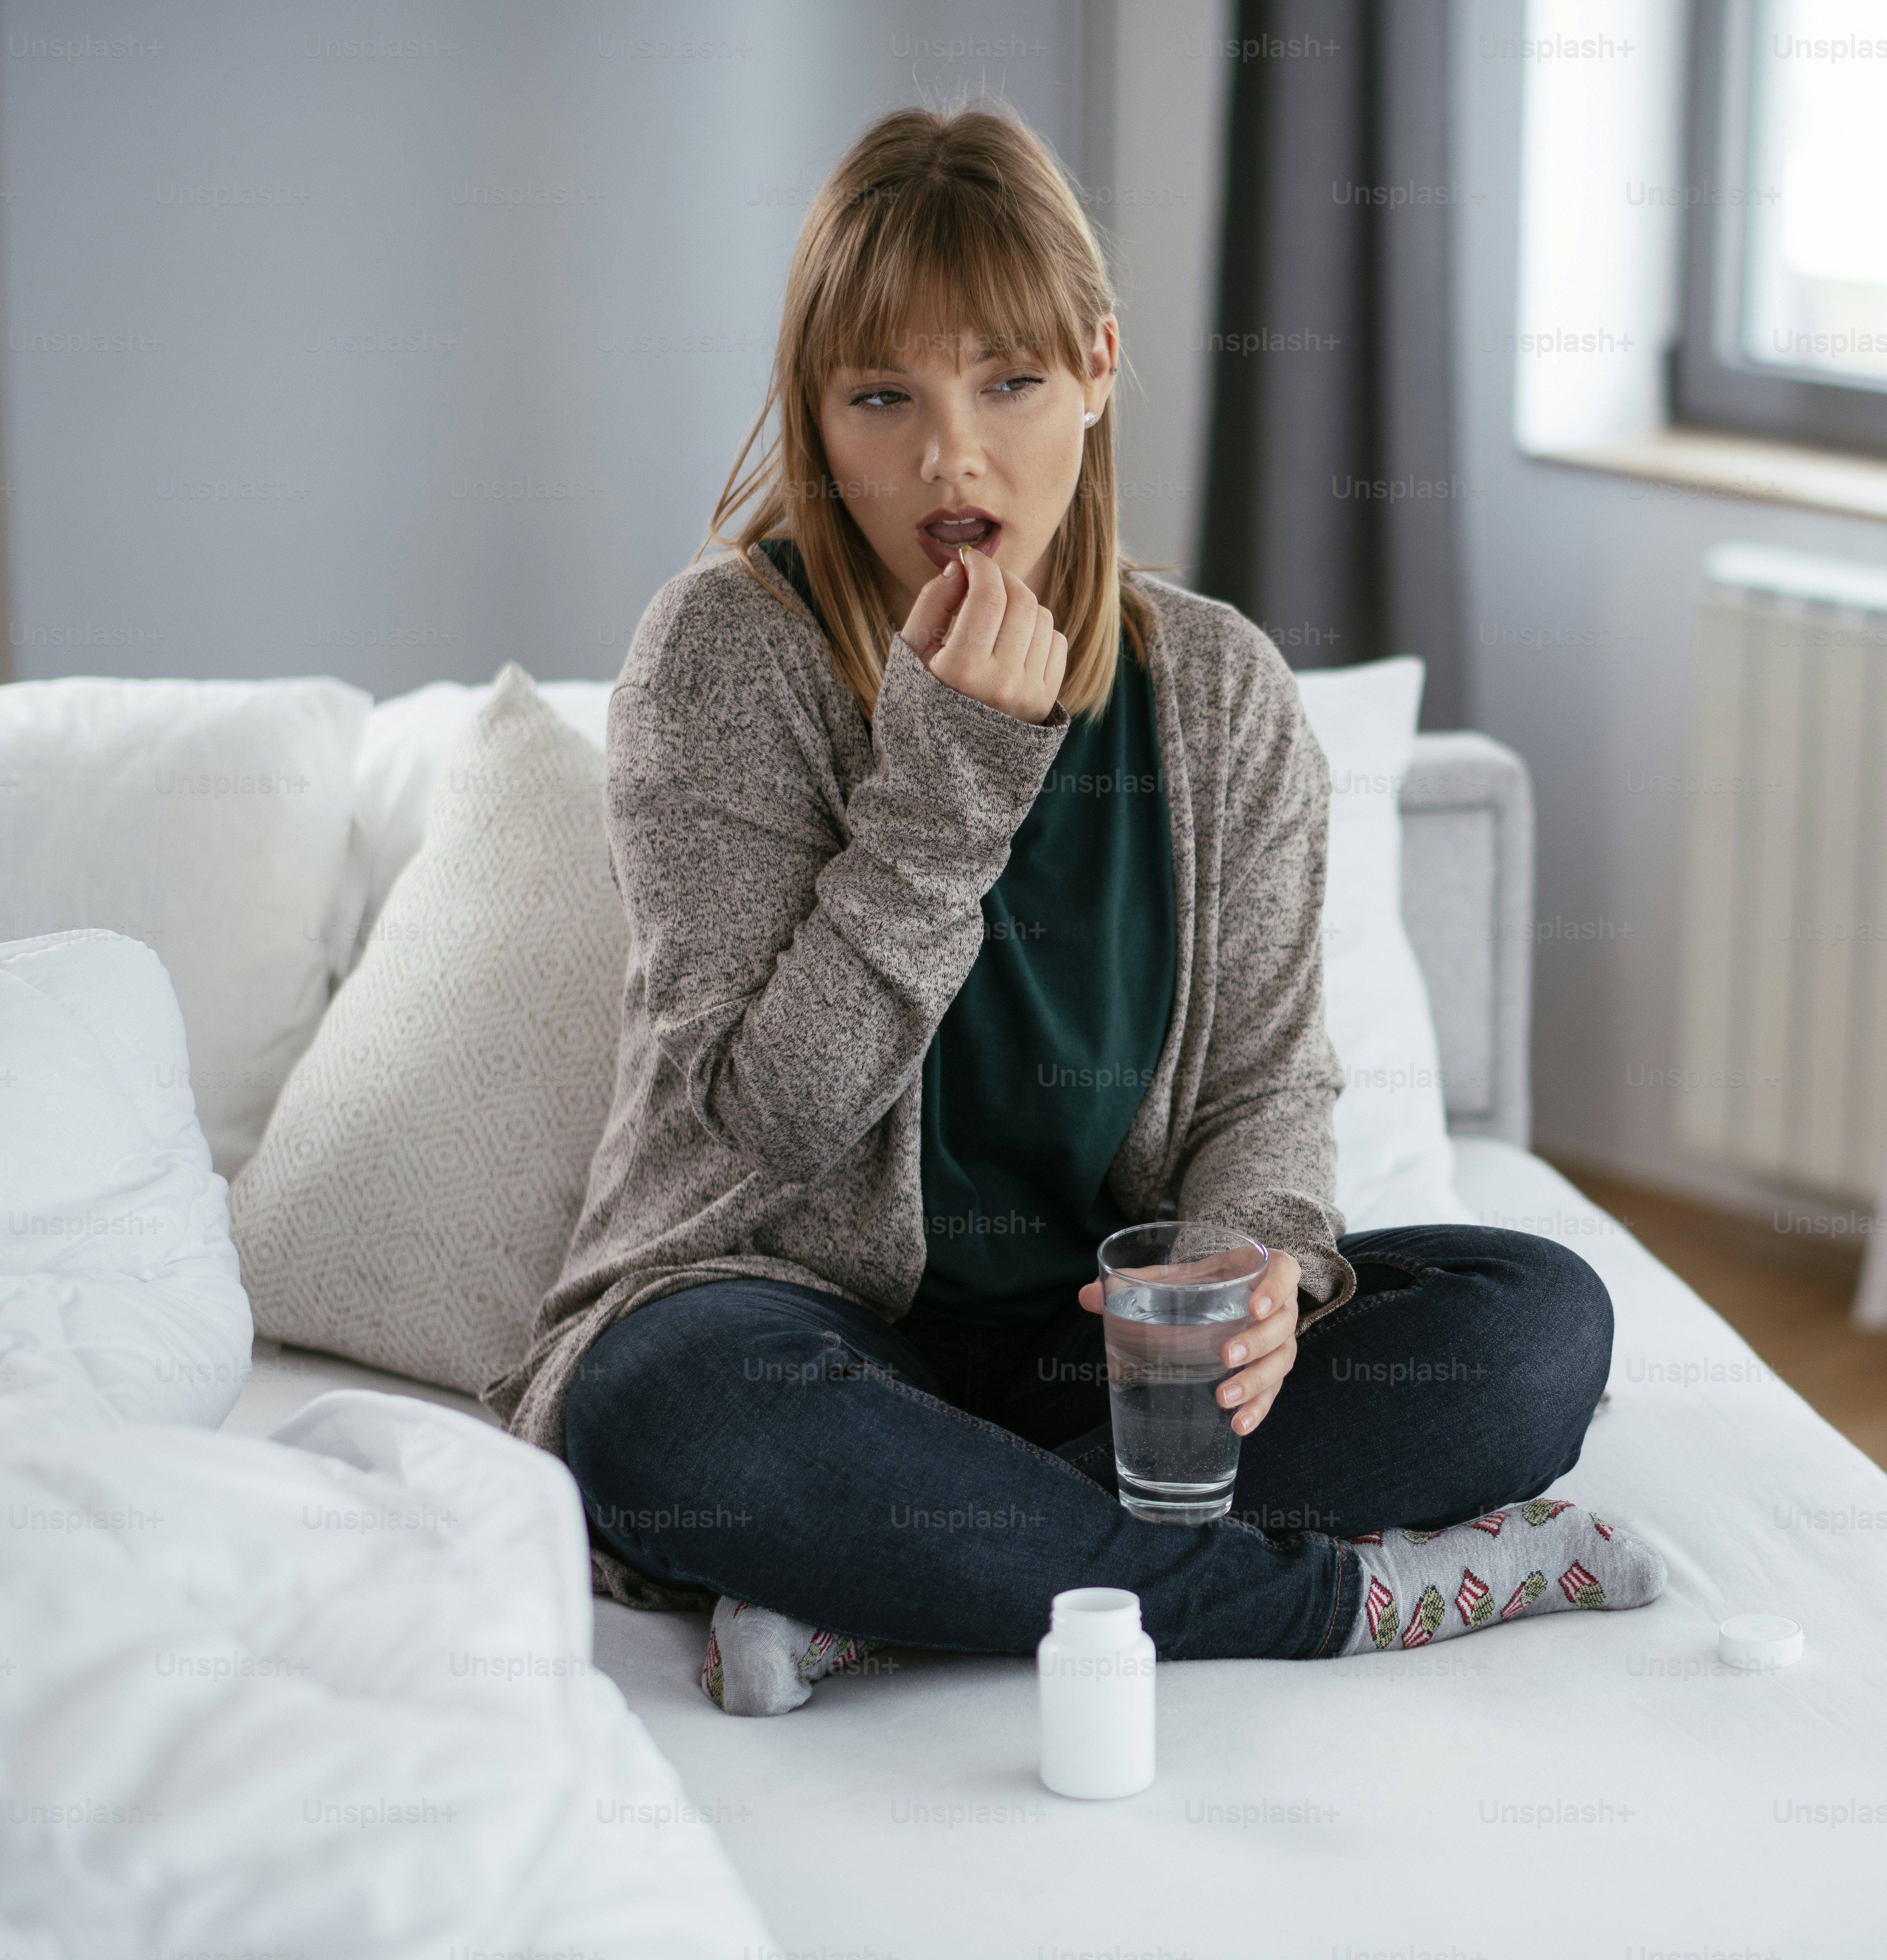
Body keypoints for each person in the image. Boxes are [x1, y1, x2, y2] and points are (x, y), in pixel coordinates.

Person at [482, 104, 1664, 1715]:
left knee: (1534, 1325)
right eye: (880, 395)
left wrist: (1256, 1275)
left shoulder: (1221, 690)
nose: (946, 456)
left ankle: (887, 1593)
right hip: (794, 1324)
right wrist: (954, 774)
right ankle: (1334, 1599)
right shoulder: (719, 657)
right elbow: (775, 1112)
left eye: (1010, 382)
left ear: (1099, 368)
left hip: (1094, 1361)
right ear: (818, 417)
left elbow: (1263, 1080)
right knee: (669, 1416)